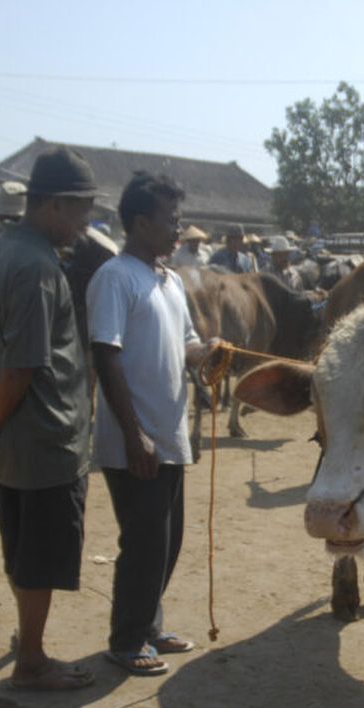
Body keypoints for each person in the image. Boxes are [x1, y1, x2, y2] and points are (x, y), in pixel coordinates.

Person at [0, 146, 99, 691]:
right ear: (56, 205)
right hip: (44, 438)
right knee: (39, 556)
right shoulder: (38, 267)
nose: (85, 224)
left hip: (9, 444)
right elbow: (21, 365)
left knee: (19, 547)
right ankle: (34, 660)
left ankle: (26, 637)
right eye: (82, 209)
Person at [86, 170, 219, 675]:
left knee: (169, 540)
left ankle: (148, 623)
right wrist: (133, 432)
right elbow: (106, 355)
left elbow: (185, 345)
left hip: (169, 435)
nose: (178, 229)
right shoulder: (115, 278)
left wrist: (206, 353)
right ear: (140, 223)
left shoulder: (169, 280)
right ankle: (125, 640)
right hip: (134, 439)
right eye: (171, 220)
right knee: (143, 542)